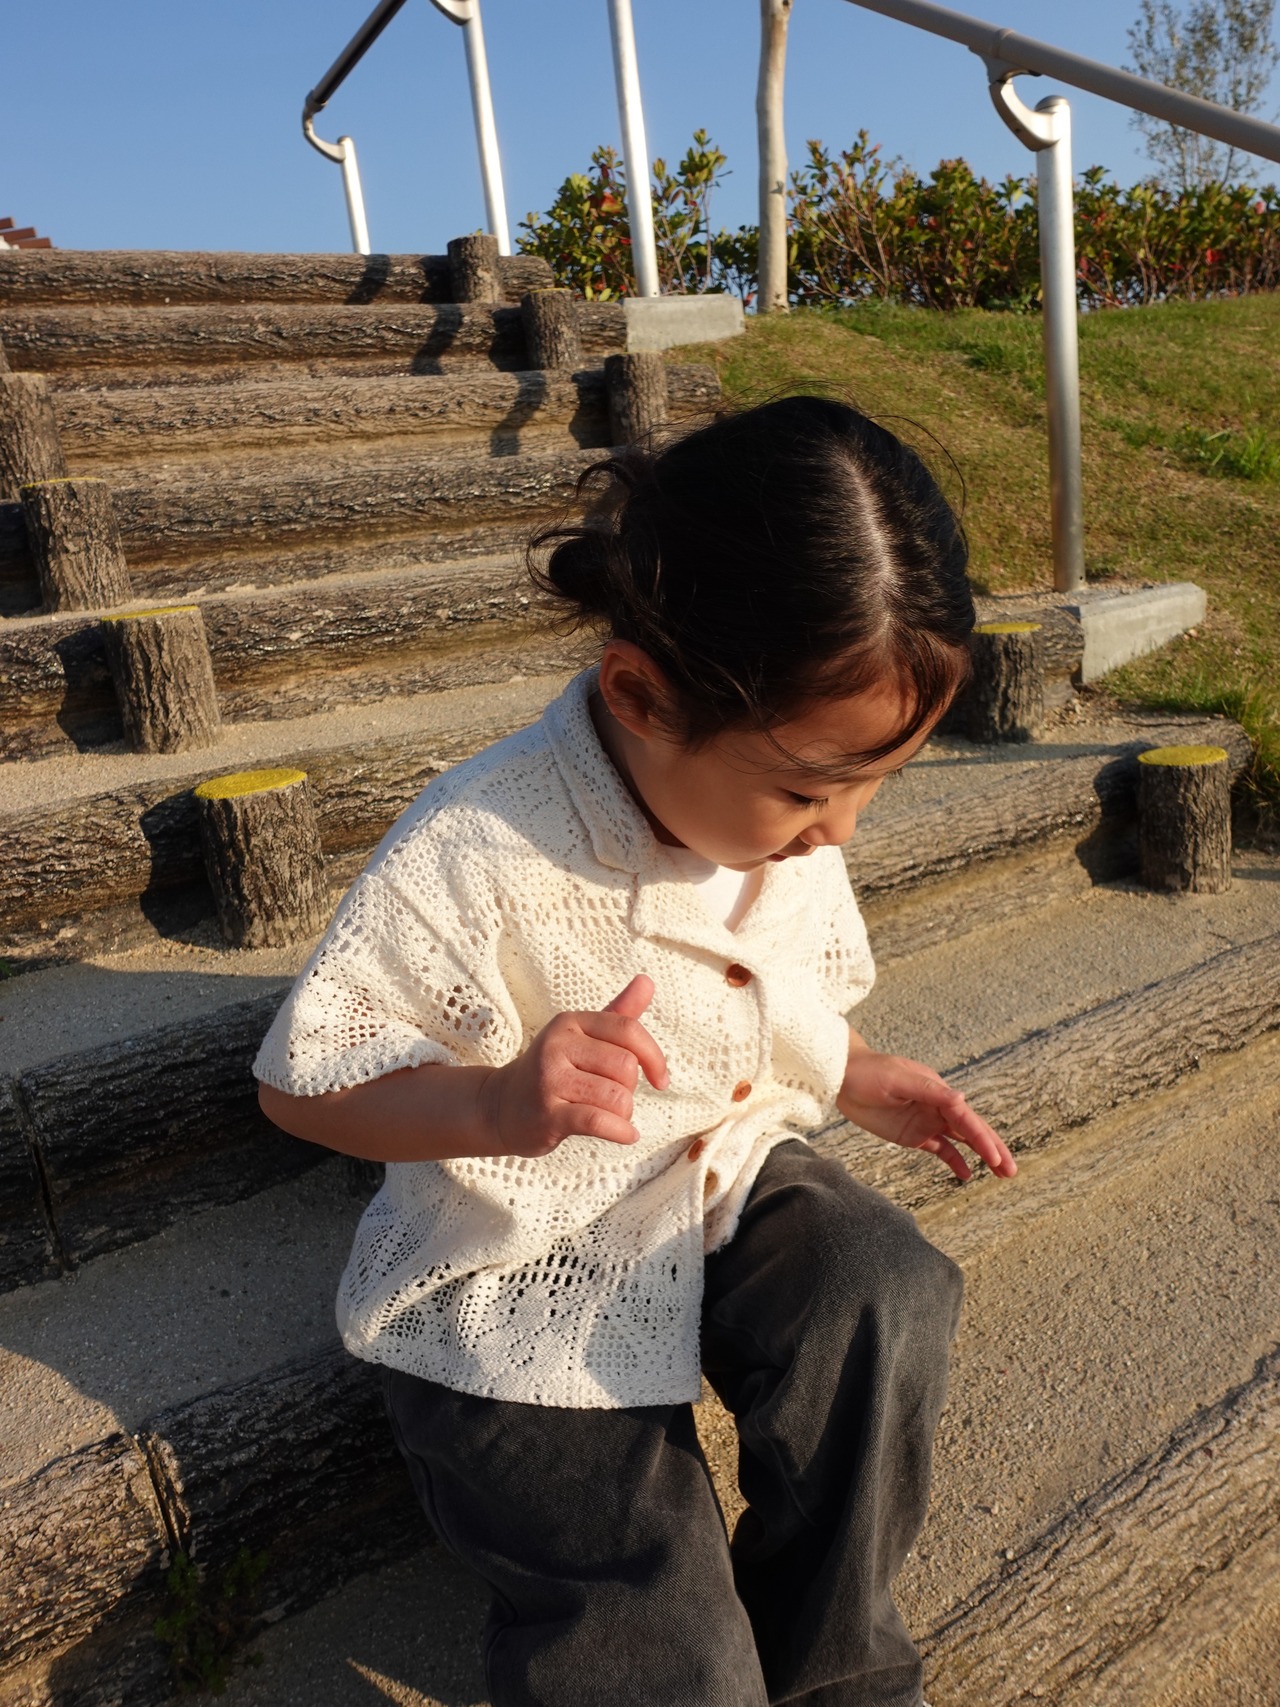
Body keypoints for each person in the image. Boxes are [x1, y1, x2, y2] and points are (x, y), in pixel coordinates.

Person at [255, 394, 1017, 1707]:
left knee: (880, 1284)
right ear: (639, 695)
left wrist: (851, 1071)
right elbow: (302, 1081)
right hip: (522, 1263)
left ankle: (837, 1661)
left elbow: (764, 990)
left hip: (710, 1175)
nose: (839, 830)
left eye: (873, 783)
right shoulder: (483, 840)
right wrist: (495, 1103)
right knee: (662, 1642)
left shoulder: (769, 815)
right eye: (811, 787)